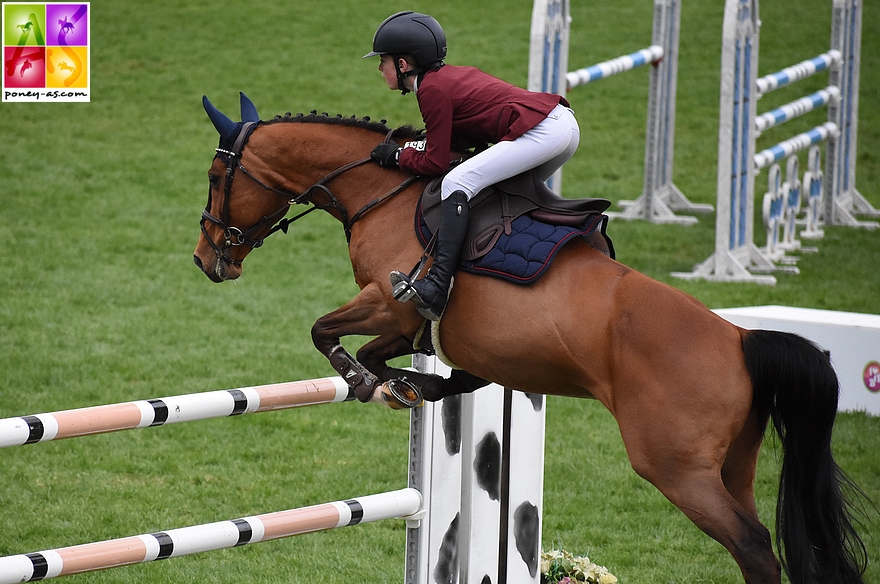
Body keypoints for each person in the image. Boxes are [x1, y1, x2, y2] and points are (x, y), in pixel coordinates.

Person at [364, 11, 579, 320]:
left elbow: (437, 162)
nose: (379, 67)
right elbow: (455, 146)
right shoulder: (443, 79)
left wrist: (397, 157)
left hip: (545, 131)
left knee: (457, 184)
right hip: (560, 126)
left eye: (382, 60)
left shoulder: (431, 89)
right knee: (499, 191)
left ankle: (436, 286)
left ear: (402, 65)